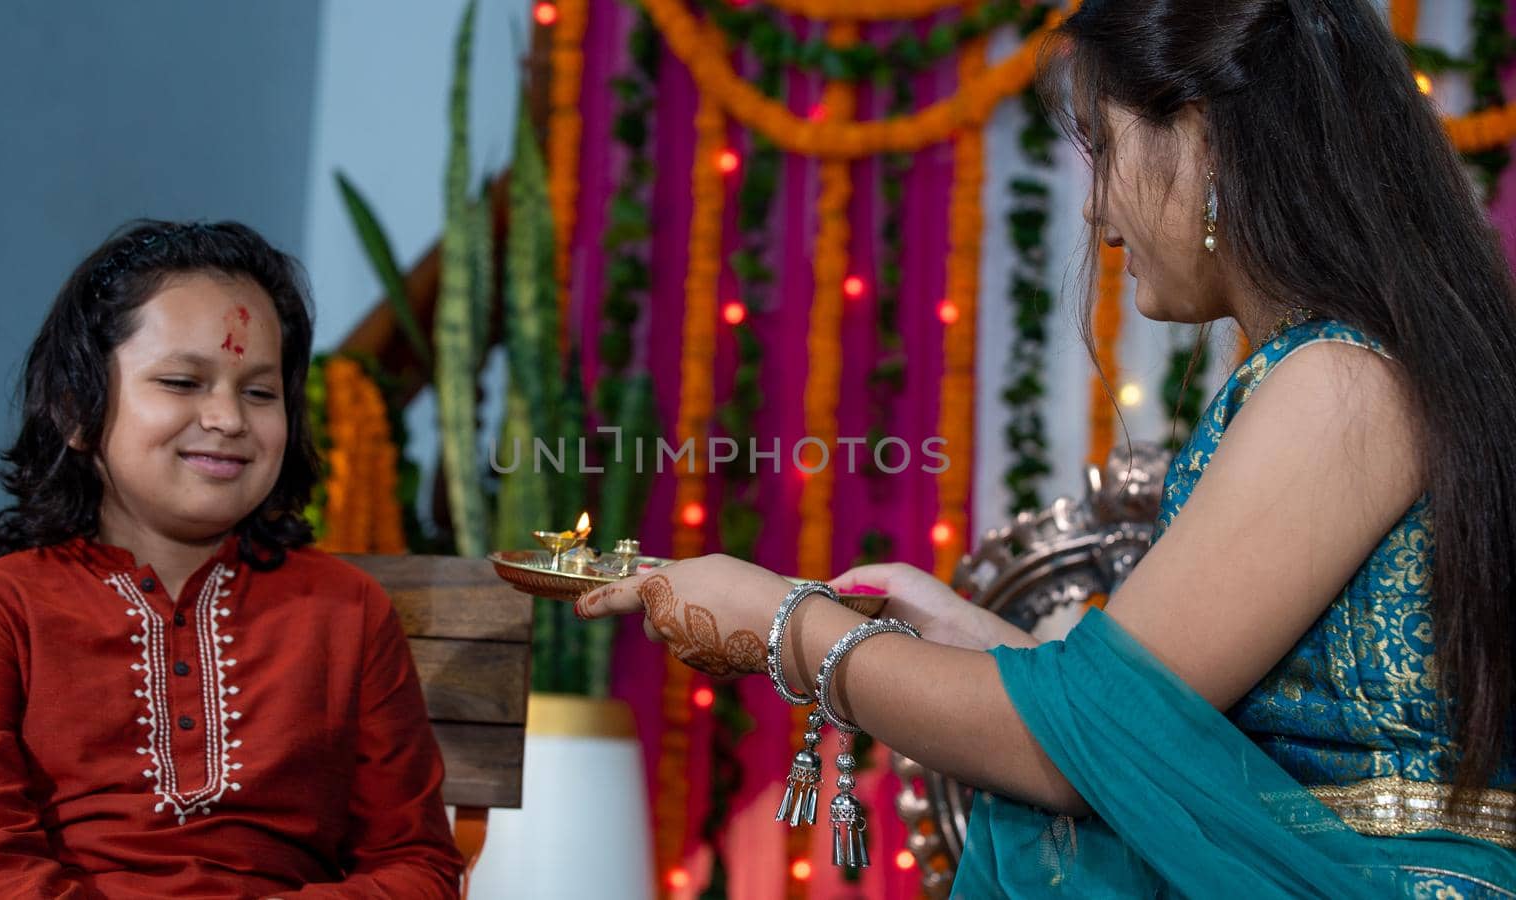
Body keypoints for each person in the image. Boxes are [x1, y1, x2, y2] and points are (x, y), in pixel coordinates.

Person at [579, 0, 1516, 895]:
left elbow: (1074, 755)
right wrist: (983, 643)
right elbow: (1160, 723)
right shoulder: (1338, 369)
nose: (1097, 215)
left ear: (1207, 142)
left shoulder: (1341, 382)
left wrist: (781, 623)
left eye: (1105, 151)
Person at [0, 221, 462, 897]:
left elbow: (419, 865)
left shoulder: (347, 610)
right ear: (75, 410)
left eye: (260, 393)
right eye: (181, 381)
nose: (229, 419)